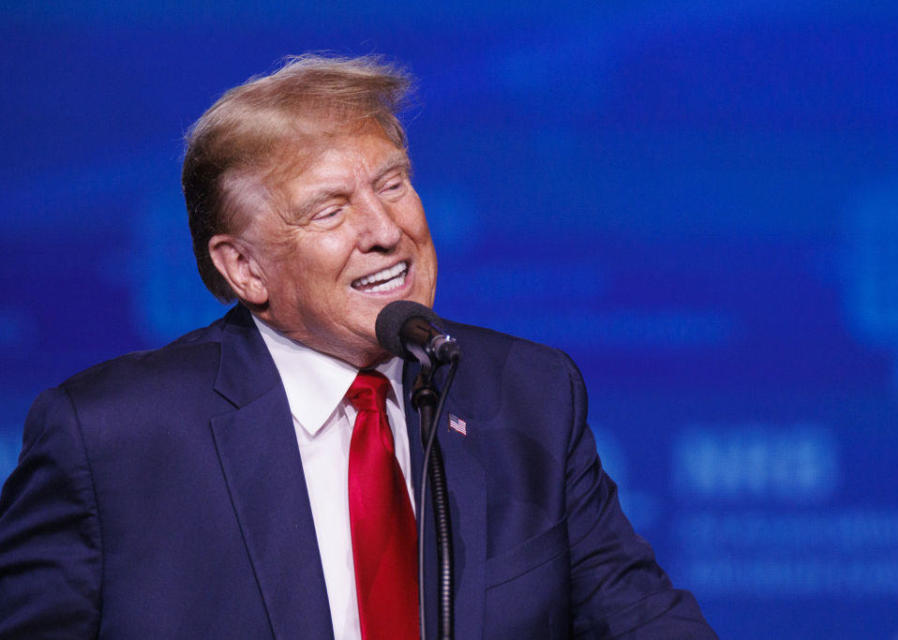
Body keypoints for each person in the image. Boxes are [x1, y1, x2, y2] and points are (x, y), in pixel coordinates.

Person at [0, 55, 717, 639]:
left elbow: (643, 622)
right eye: (331, 208)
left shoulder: (530, 394)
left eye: (392, 184)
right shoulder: (111, 437)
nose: (385, 229)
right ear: (244, 268)